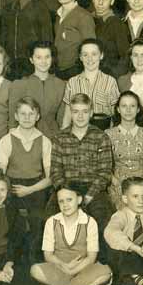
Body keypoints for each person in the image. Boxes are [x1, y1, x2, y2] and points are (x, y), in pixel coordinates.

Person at [0, 97, 52, 263]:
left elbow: (51, 178)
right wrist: (4, 191)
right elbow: (0, 174)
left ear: (38, 116)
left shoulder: (44, 141)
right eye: (23, 114)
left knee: (38, 220)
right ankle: (9, 262)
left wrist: (30, 189)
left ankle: (34, 263)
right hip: (11, 185)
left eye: (31, 114)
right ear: (16, 116)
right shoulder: (7, 139)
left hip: (36, 186)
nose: (27, 118)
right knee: (10, 220)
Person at [50, 93, 114, 244]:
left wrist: (89, 196)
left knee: (105, 223)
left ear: (91, 113)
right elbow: (55, 171)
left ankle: (103, 263)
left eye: (84, 112)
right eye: (76, 111)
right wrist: (66, 195)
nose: (80, 116)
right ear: (70, 113)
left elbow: (105, 172)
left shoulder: (101, 137)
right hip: (66, 187)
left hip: (93, 188)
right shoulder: (60, 137)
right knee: (48, 220)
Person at [30, 185, 113, 285]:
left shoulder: (89, 222)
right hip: (59, 268)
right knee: (34, 270)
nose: (65, 205)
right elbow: (48, 256)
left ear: (79, 200)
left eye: (69, 200)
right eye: (61, 201)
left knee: (107, 272)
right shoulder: (52, 221)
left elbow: (91, 257)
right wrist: (64, 266)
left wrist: (73, 270)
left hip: (82, 269)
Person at [0, 0, 53, 81]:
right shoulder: (6, 10)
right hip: (9, 71)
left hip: (33, 70)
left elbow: (47, 40)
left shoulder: (40, 7)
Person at [105, 92, 143, 210]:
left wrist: (142, 185)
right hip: (118, 184)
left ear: (138, 110)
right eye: (124, 106)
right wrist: (118, 185)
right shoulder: (108, 134)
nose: (128, 110)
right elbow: (106, 168)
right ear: (118, 109)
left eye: (132, 106)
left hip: (142, 183)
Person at [8, 41, 66, 137]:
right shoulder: (19, 85)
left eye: (47, 57)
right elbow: (12, 120)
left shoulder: (60, 84)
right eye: (38, 57)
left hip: (53, 136)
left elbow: (62, 118)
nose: (43, 61)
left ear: (52, 59)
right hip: (25, 136)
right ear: (31, 59)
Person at [61, 38, 120, 130]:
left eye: (94, 54)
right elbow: (68, 115)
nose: (90, 59)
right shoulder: (72, 82)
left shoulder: (110, 81)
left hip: (103, 133)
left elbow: (116, 114)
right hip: (78, 133)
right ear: (80, 57)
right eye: (85, 55)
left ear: (101, 55)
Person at [54, 0, 96, 80]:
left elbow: (90, 50)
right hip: (57, 73)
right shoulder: (57, 15)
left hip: (75, 75)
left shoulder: (83, 17)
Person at [91, 0, 130, 79]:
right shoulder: (86, 19)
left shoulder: (117, 24)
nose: (100, 2)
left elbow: (125, 57)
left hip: (109, 77)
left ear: (112, 1)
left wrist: (112, 78)